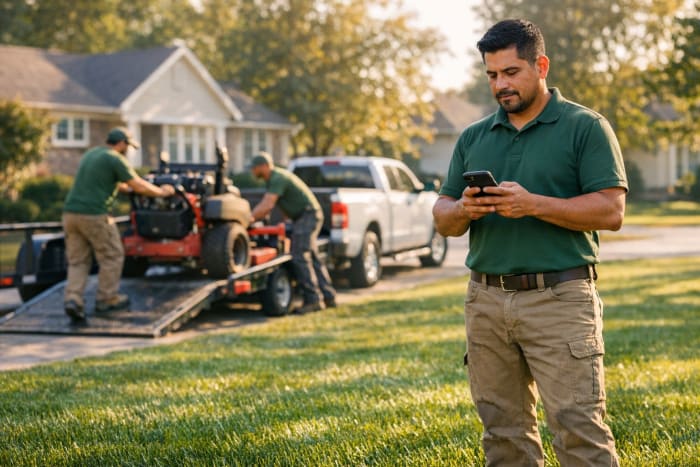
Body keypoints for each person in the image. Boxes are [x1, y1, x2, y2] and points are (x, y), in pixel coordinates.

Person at [432, 19, 627, 466]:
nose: (501, 85)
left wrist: (533, 204)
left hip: (559, 299)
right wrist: (464, 209)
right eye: (492, 75)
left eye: (512, 72)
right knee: (502, 433)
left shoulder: (586, 127)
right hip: (485, 301)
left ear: (541, 65)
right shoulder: (473, 137)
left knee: (578, 427)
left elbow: (610, 212)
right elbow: (443, 219)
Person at [62, 127, 175, 321]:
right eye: (128, 146)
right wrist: (162, 192)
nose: (128, 150)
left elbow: (110, 183)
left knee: (78, 260)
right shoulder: (115, 159)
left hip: (70, 215)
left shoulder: (92, 154)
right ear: (121, 143)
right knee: (112, 255)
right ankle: (107, 299)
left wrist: (127, 190)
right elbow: (138, 184)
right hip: (94, 215)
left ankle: (73, 299)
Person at [249, 151, 336, 313]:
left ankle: (313, 300)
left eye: (254, 168)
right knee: (312, 256)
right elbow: (284, 203)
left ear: (263, 167)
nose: (252, 172)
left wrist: (249, 219)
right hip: (306, 215)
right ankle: (328, 296)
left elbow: (267, 205)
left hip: (308, 215)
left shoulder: (277, 178)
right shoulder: (273, 179)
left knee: (299, 256)